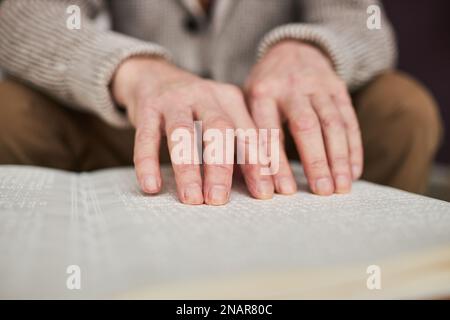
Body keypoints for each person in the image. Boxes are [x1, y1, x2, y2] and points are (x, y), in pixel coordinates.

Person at [0, 0, 442, 205]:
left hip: (279, 139)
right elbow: (24, 14)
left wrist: (311, 51)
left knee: (402, 107)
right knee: (8, 112)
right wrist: (134, 72)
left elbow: (361, 19)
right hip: (132, 132)